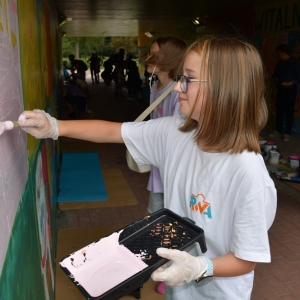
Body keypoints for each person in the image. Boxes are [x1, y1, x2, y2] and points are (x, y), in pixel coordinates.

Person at [17, 36, 277, 300]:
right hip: (178, 292)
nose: (177, 88)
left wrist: (201, 267)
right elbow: (112, 131)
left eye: (188, 78)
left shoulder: (249, 174)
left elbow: (246, 259)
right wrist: (55, 127)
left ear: (225, 88)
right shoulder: (176, 132)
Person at [269, 44, 300, 141]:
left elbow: (298, 77)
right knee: (280, 111)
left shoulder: (294, 63)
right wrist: (274, 79)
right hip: (280, 90)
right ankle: (278, 130)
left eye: (279, 53)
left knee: (289, 112)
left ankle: (287, 133)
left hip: (290, 90)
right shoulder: (280, 64)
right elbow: (275, 75)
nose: (278, 55)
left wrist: (290, 83)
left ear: (283, 52)